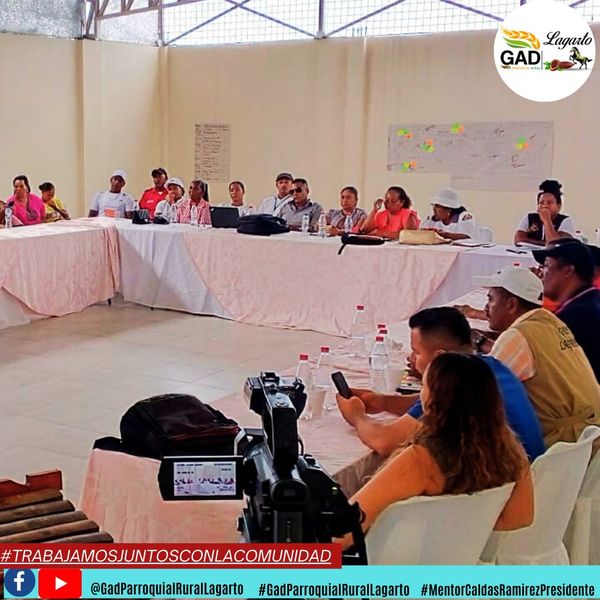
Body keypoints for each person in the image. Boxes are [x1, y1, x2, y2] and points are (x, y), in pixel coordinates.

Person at [336, 353, 534, 549]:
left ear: (434, 401)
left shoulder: (420, 460)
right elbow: (521, 517)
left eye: (424, 387)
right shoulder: (510, 451)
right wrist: (454, 529)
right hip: (461, 559)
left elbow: (342, 532)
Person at [336, 307, 545, 461]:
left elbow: (384, 442)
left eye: (416, 352)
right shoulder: (489, 366)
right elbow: (425, 406)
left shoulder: (455, 386)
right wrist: (382, 402)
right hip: (531, 476)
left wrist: (356, 416)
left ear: (439, 358)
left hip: (505, 488)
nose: (411, 358)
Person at [474, 265, 600, 446]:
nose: (486, 307)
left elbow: (482, 390)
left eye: (490, 299)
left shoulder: (518, 335)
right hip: (590, 428)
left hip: (566, 441)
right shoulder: (550, 322)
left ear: (511, 304)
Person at [532, 238, 600, 381]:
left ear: (568, 270)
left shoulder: (573, 317)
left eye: (546, 265)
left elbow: (536, 363)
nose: (541, 273)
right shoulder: (591, 301)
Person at [514, 179, 576, 247]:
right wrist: (545, 243)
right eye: (541, 203)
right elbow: (518, 240)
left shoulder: (566, 221)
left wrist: (546, 220)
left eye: (549, 203)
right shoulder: (529, 218)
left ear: (558, 207)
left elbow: (556, 245)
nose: (545, 206)